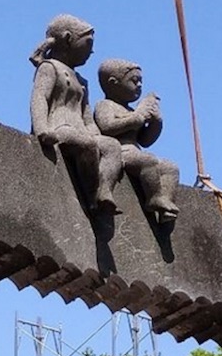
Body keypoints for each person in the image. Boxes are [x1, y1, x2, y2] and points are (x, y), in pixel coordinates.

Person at [29, 14, 123, 214]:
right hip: (59, 128)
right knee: (86, 144)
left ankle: (104, 191)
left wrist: (96, 134)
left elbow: (87, 115)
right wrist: (42, 129)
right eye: (88, 43)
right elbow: (40, 98)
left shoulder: (81, 80)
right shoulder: (49, 68)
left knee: (112, 146)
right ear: (68, 38)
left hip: (80, 129)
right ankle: (91, 195)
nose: (92, 51)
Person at [94, 58, 180, 224]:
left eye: (141, 81)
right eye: (134, 81)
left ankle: (166, 205)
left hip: (136, 150)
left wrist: (156, 122)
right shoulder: (105, 105)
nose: (139, 85)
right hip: (121, 151)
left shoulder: (131, 110)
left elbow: (145, 140)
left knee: (170, 167)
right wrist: (136, 118)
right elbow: (107, 127)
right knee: (147, 161)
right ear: (113, 83)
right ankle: (154, 198)